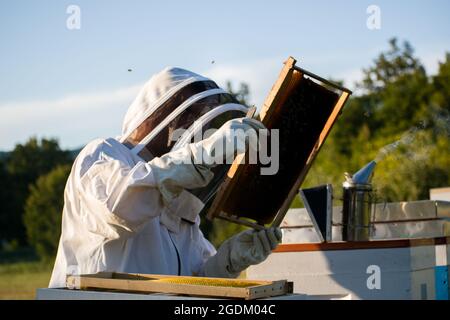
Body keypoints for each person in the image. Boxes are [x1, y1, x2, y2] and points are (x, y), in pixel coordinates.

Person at [49, 67, 282, 288]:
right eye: (192, 115)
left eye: (204, 120)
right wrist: (201, 154)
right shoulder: (104, 152)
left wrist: (229, 259)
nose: (197, 127)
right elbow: (120, 207)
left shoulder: (178, 202)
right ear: (159, 112)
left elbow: (193, 283)